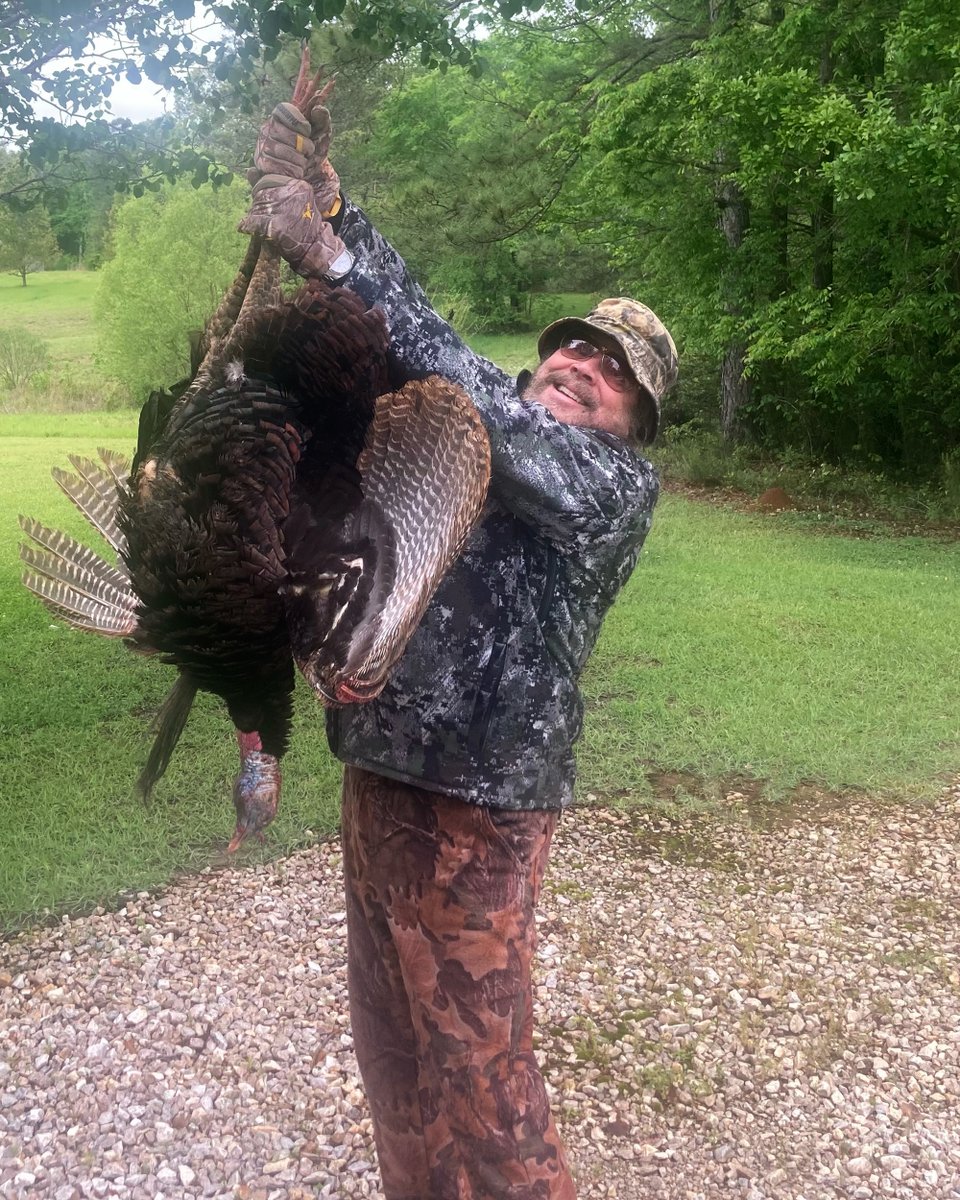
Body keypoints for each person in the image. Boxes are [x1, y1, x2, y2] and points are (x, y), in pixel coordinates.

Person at [240, 91, 678, 1200]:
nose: (585, 364)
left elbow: (460, 386)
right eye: (575, 347)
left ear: (635, 423)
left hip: (479, 808)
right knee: (393, 1057)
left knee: (484, 1086)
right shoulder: (478, 423)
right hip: (377, 773)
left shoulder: (605, 487)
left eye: (616, 373)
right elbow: (437, 379)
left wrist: (339, 261)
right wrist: (338, 205)